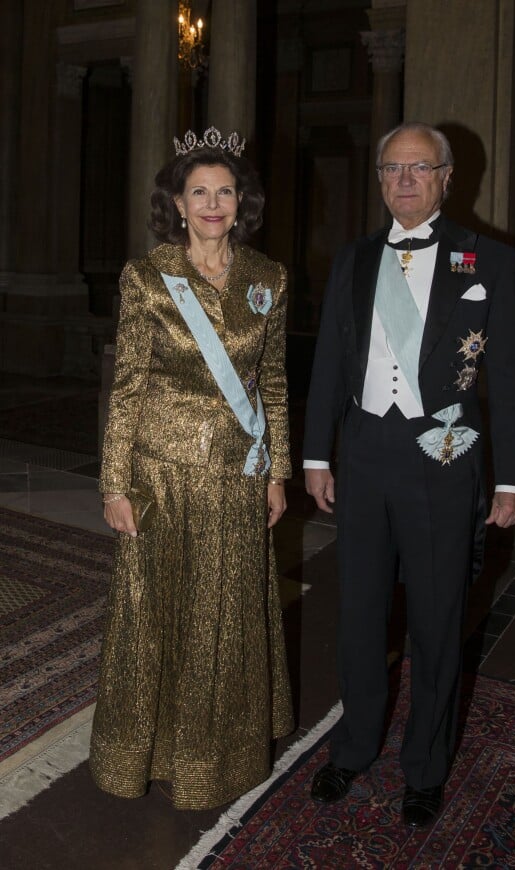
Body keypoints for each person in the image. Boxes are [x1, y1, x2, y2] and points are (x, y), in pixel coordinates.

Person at [303, 122, 515, 827]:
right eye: (393, 169)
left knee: (436, 622)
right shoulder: (353, 258)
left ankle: (426, 767)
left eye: (420, 168)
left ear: (446, 177)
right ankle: (353, 747)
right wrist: (316, 454)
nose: (405, 180)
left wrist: (513, 477)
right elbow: (329, 365)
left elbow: (511, 375)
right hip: (365, 456)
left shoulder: (485, 259)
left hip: (444, 458)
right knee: (361, 615)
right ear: (378, 179)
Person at [89, 126, 293, 810]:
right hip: (162, 474)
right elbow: (127, 385)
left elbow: (273, 383)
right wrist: (114, 482)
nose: (212, 204)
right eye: (198, 192)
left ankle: (217, 756)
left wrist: (277, 471)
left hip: (238, 473)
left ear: (243, 202)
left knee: (225, 615)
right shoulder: (148, 278)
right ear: (176, 203)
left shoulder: (269, 278)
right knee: (155, 616)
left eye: (225, 192)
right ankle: (139, 756)